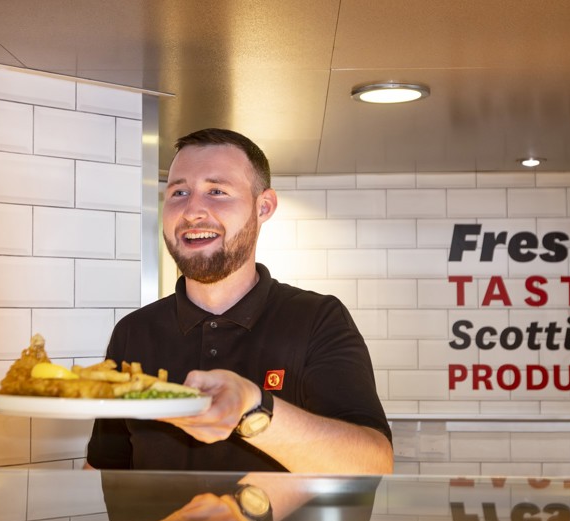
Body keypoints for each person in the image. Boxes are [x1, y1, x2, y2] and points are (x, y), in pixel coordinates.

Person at [85, 128, 393, 474]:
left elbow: (374, 462)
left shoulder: (317, 319)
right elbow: (102, 471)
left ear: (263, 207)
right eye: (179, 192)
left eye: (217, 191)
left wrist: (254, 408)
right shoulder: (134, 332)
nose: (192, 211)